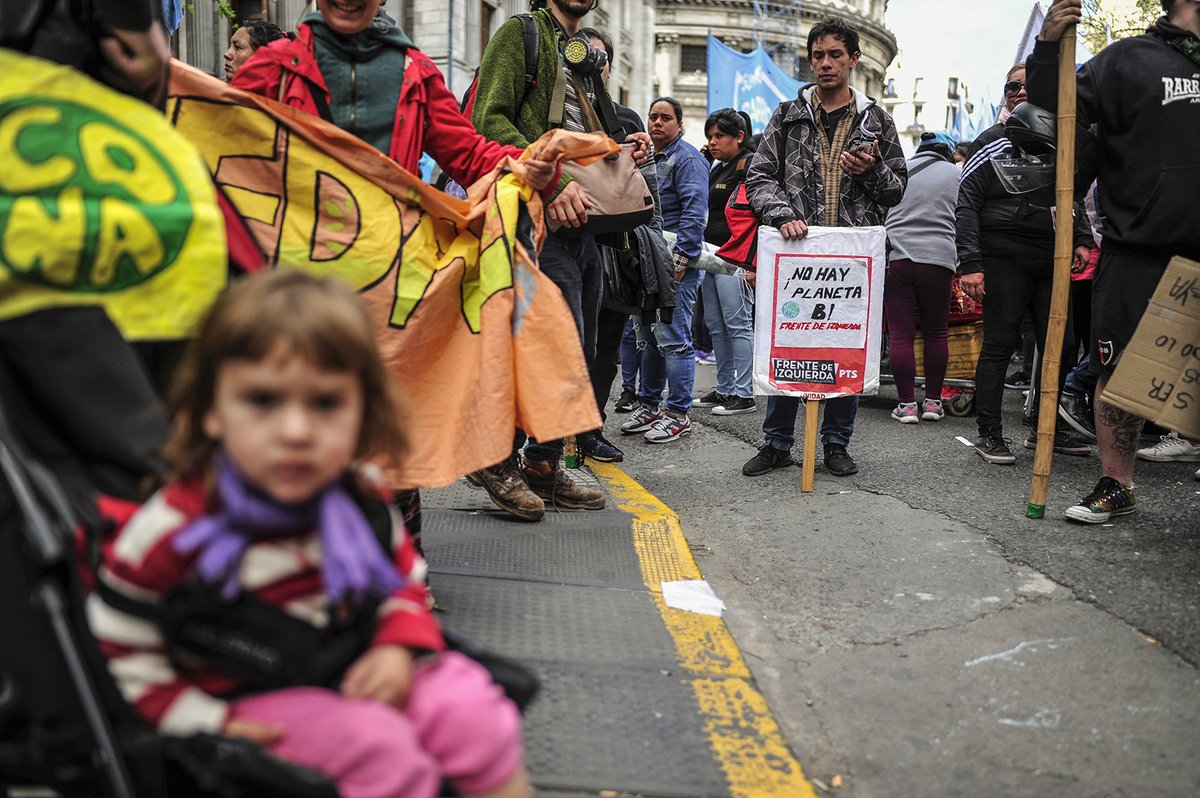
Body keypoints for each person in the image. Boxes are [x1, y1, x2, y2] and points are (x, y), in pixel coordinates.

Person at [87, 271, 531, 798]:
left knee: (471, 709)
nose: (296, 432)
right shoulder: (175, 529)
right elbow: (121, 642)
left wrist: (395, 646)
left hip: (350, 660)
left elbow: (401, 583)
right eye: (262, 401)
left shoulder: (360, 497)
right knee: (379, 749)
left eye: (325, 404)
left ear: (362, 414)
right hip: (245, 695)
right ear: (210, 411)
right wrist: (200, 717)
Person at [469, 0, 650, 517]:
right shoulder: (521, 34)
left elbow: (582, 142)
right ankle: (495, 457)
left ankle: (543, 465)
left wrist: (620, 150)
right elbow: (487, 120)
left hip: (583, 229)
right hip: (537, 218)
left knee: (576, 349)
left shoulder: (583, 52)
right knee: (539, 345)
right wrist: (553, 182)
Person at [1030, 0, 1200, 521]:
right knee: (1117, 370)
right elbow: (1051, 108)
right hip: (1140, 251)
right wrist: (1047, 49)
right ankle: (1117, 483)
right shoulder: (1128, 60)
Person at [739, 16, 906, 479]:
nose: (826, 64)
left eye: (835, 55)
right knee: (788, 344)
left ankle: (836, 444)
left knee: (842, 347)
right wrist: (782, 214)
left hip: (850, 263)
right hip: (796, 256)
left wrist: (869, 170)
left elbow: (896, 191)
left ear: (855, 59)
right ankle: (776, 444)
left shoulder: (878, 121)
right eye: (818, 56)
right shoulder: (787, 115)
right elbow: (759, 177)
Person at [232, 0, 555, 192]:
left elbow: (467, 155)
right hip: (293, 271)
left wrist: (530, 166)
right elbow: (223, 146)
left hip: (385, 267)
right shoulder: (272, 66)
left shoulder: (418, 73)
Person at [956, 102, 1094, 464]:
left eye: (1026, 86)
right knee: (1000, 343)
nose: (1019, 92)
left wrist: (1082, 236)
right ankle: (990, 432)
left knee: (1062, 345)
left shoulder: (1057, 139)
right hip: (1004, 257)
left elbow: (1073, 192)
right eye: (1012, 86)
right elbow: (967, 202)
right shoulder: (989, 142)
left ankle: (1045, 425)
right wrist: (970, 262)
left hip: (1052, 256)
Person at [619, 97, 708, 444]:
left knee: (673, 338)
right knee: (648, 339)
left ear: (680, 124)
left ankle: (678, 414)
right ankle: (650, 405)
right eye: (653, 116)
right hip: (646, 261)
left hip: (674, 265)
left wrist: (682, 260)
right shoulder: (648, 159)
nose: (657, 123)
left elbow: (694, 211)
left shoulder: (688, 159)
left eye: (665, 118)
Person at [883, 130, 959, 424]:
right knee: (936, 332)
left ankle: (906, 406)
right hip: (938, 259)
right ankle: (932, 403)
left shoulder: (898, 170)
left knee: (901, 334)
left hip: (898, 258)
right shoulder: (957, 173)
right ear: (947, 152)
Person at [693, 107, 757, 416]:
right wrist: (705, 159)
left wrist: (753, 264)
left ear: (739, 137)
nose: (713, 141)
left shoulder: (750, 165)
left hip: (737, 257)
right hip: (711, 254)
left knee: (738, 325)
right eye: (710, 136)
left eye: (720, 136)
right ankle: (726, 388)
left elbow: (758, 215)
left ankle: (744, 393)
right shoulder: (719, 167)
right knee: (716, 326)